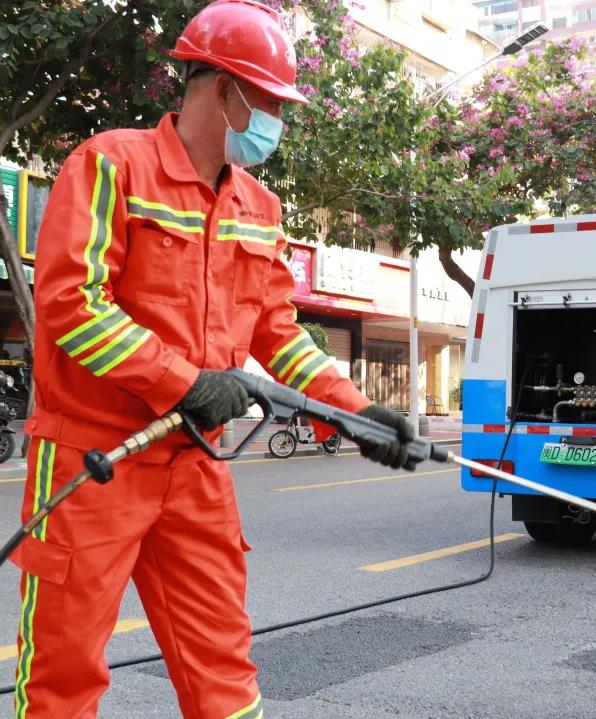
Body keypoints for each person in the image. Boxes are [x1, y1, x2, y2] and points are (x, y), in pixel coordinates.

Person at [10, 2, 414, 717]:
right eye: (269, 101)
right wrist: (184, 380)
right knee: (64, 675)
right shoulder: (111, 164)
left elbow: (278, 332)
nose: (276, 121)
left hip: (195, 465)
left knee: (224, 671)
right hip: (91, 456)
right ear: (222, 87)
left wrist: (358, 414)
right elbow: (73, 303)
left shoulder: (259, 206)